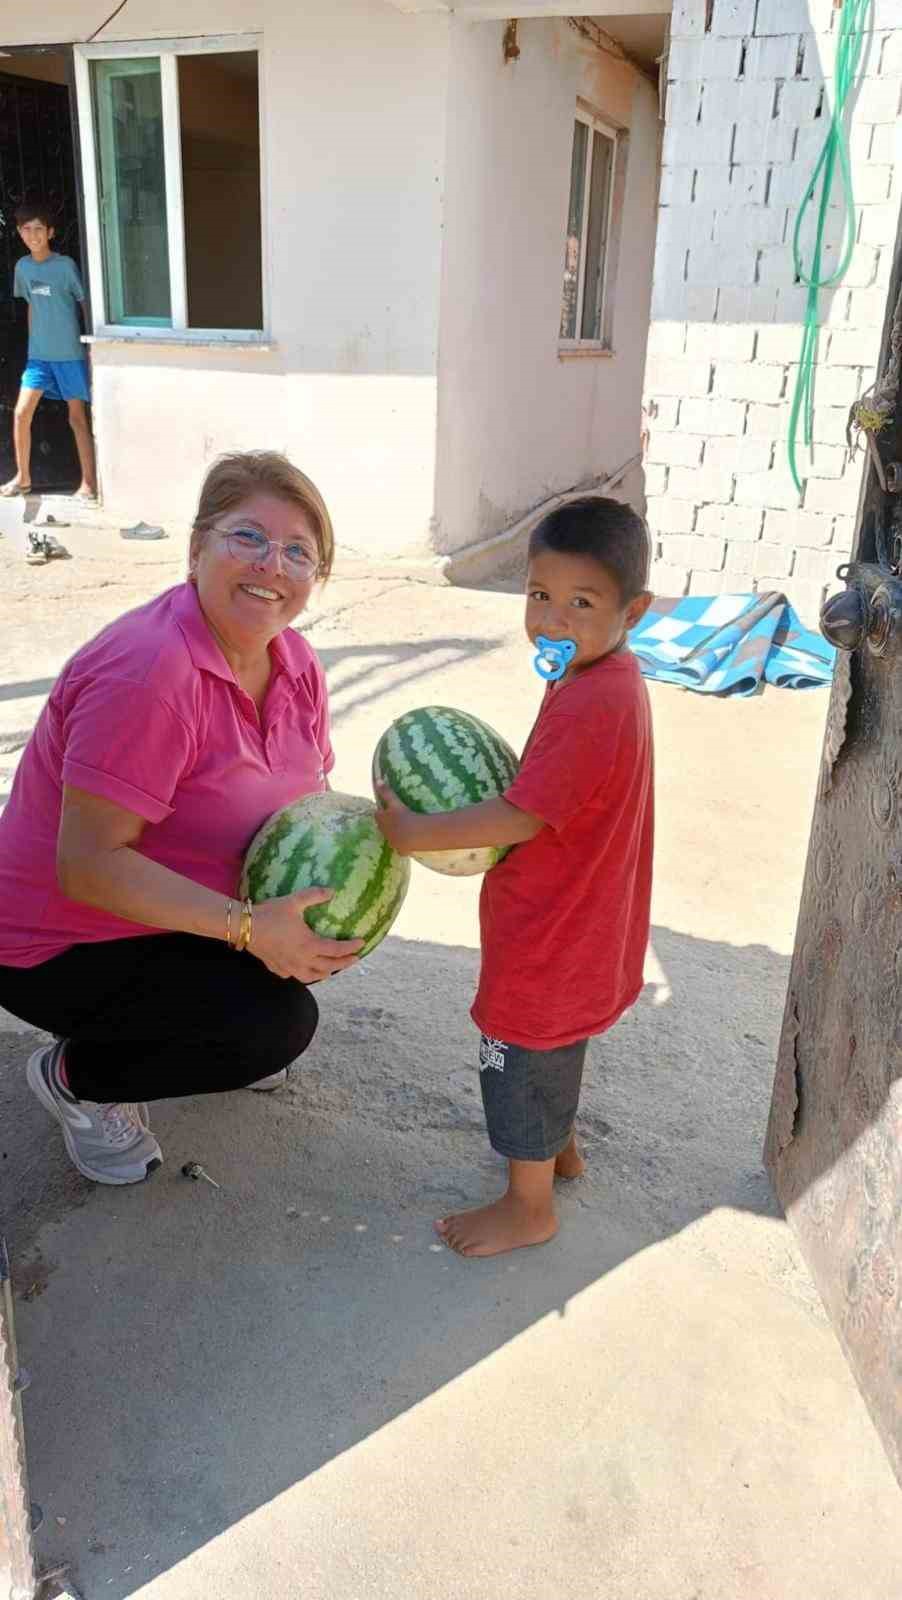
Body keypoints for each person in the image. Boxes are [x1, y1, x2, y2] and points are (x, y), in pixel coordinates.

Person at [0, 450, 363, 1185]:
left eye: (299, 551)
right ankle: (74, 1076)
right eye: (248, 537)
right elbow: (88, 865)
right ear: (197, 547)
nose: (273, 564)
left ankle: (190, 1020)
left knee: (309, 951)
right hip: (55, 936)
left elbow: (305, 808)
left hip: (169, 913)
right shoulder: (151, 670)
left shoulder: (294, 661)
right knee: (274, 1026)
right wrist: (251, 929)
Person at [376, 497, 654, 1257]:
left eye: (582, 602)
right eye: (539, 596)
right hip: (582, 918)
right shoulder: (602, 674)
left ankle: (528, 1205)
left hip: (552, 929)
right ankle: (556, 1148)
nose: (553, 620)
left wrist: (415, 832)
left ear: (637, 609)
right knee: (556, 1046)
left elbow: (519, 815)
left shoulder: (591, 702)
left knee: (517, 1054)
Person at [1, 200, 97, 500]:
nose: (33, 235)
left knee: (77, 418)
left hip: (69, 355)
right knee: (21, 413)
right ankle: (23, 478)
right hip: (39, 358)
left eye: (39, 229)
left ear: (51, 232)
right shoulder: (23, 268)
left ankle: (89, 483)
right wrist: (34, 344)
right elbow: (32, 305)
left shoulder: (65, 266)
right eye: (27, 230)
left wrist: (90, 344)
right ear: (18, 232)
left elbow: (84, 303)